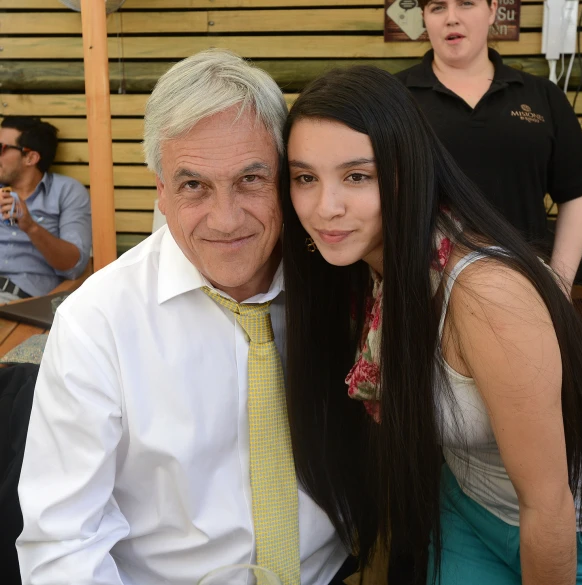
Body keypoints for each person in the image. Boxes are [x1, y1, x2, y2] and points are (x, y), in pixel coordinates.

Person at [280, 66, 582, 585]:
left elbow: (547, 504)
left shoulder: (483, 292)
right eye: (305, 177)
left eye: (358, 176)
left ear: (406, 170)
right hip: (469, 510)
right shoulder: (363, 270)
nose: (325, 208)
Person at [15, 50, 353, 585]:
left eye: (251, 179)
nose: (226, 219)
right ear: (162, 193)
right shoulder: (97, 321)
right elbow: (64, 545)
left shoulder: (340, 282)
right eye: (195, 185)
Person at [396, 0, 582, 294]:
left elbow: (577, 197)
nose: (451, 18)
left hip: (525, 288)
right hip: (425, 291)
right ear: (425, 17)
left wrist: (559, 285)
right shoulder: (395, 97)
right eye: (438, 7)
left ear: (493, 9)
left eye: (466, 3)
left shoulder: (543, 96)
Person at [0, 117, 92, 302]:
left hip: (22, 301)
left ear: (30, 157)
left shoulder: (67, 192)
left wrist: (30, 226)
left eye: (1, 148)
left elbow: (75, 266)